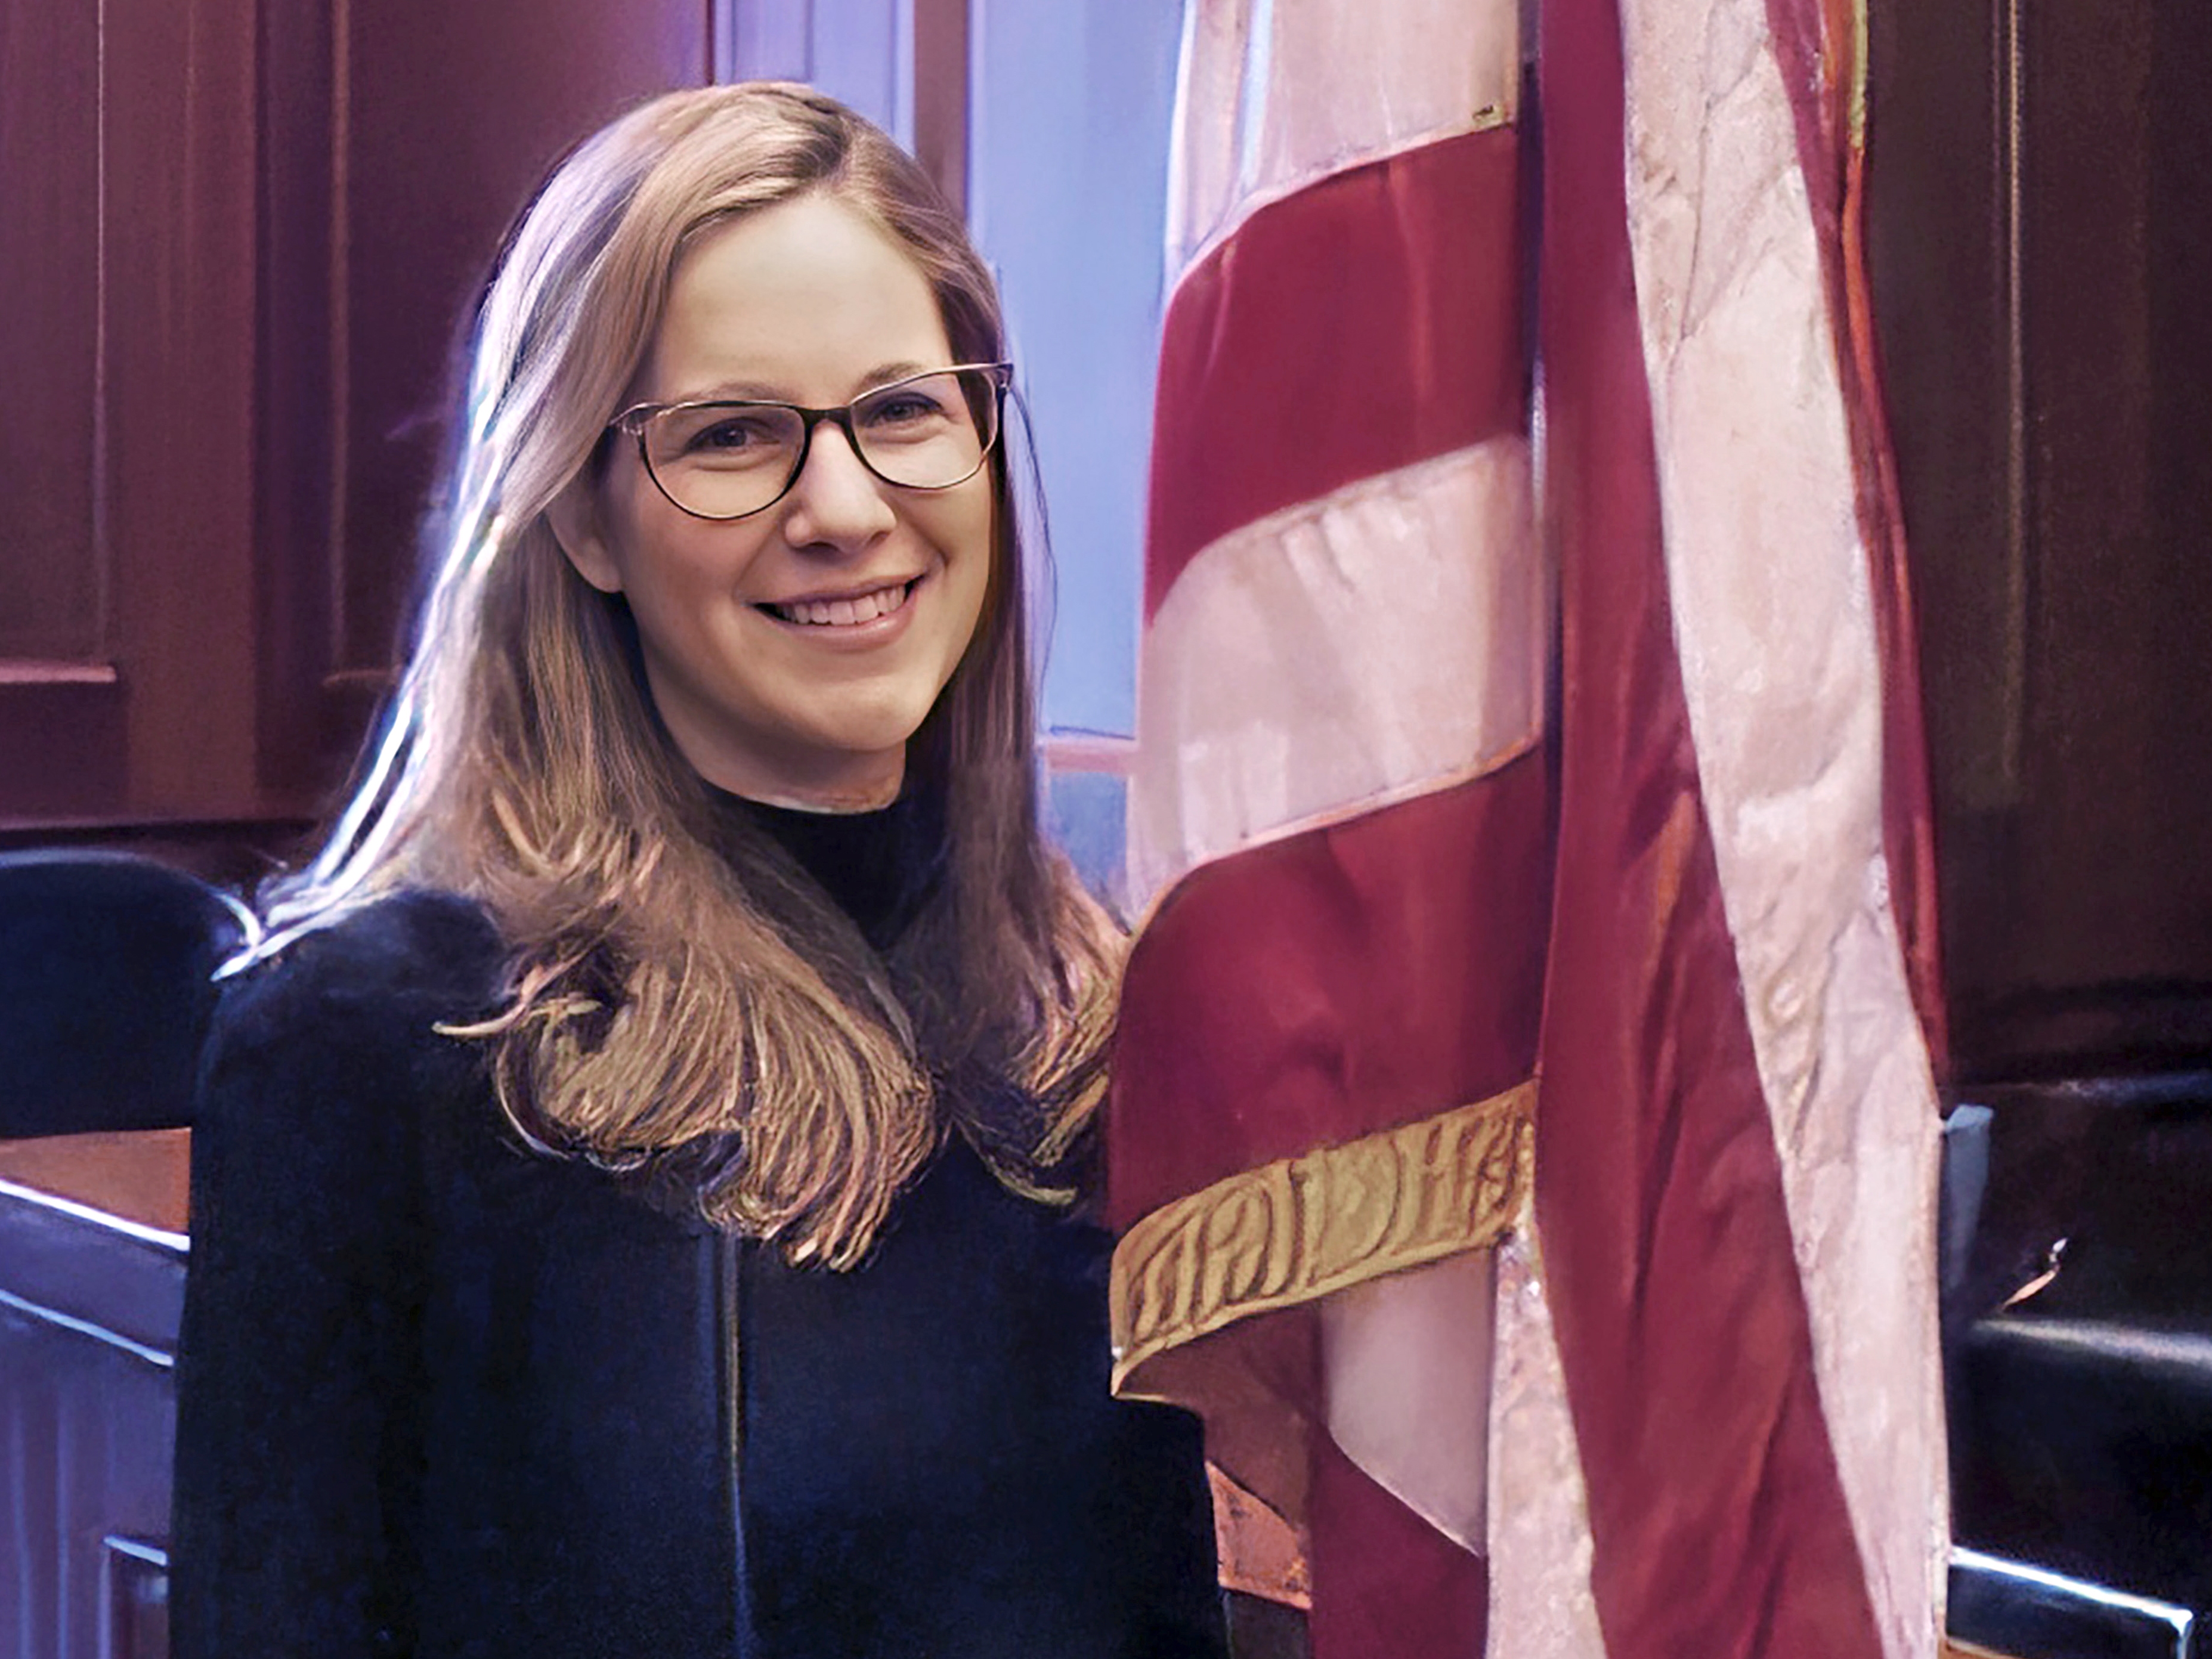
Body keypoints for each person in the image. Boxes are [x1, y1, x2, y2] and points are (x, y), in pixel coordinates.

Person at [171, 82, 1226, 1657]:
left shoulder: (1093, 1024)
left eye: (904, 412)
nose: (845, 510)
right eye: (732, 437)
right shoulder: (377, 1046)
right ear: (583, 516)